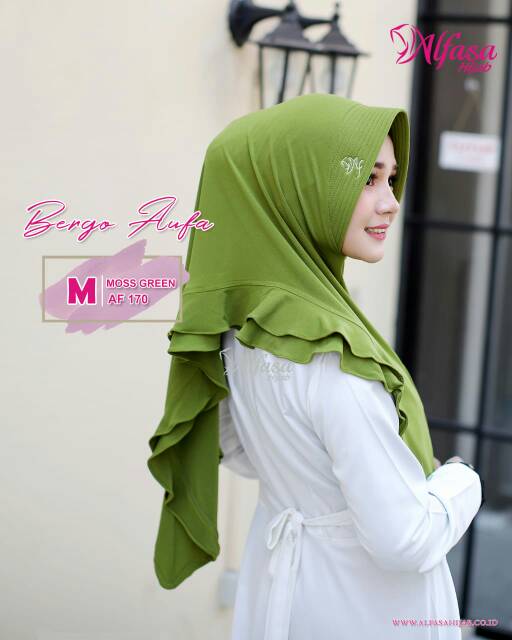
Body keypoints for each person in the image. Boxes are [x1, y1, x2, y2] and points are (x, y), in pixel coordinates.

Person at [147, 93, 483, 640]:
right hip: (364, 609)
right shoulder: (333, 357)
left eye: (391, 178)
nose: (391, 201)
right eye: (367, 179)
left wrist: (311, 496)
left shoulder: (239, 331)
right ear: (296, 189)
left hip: (287, 589)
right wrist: (463, 479)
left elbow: (237, 448)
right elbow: (404, 539)